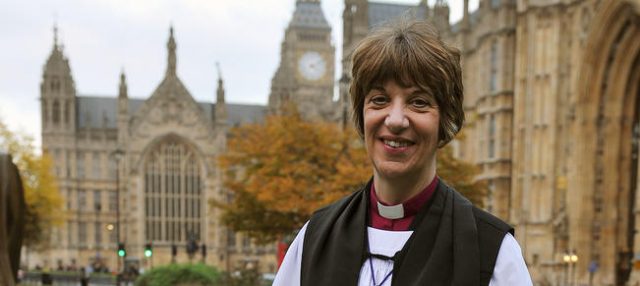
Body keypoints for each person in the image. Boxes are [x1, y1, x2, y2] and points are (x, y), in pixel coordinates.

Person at [273, 19, 532, 286]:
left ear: (445, 120)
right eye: (379, 100)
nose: (396, 120)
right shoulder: (315, 239)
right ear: (362, 116)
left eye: (418, 102)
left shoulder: (491, 253)